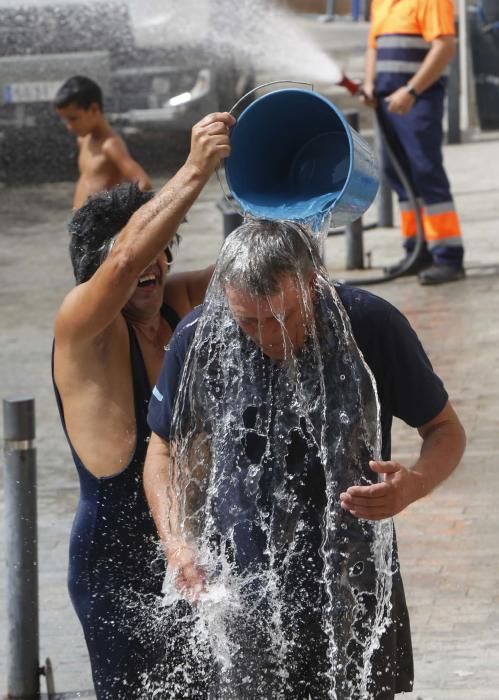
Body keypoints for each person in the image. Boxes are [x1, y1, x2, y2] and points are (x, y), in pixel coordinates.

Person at [145, 220, 466, 699]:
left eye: (281, 317)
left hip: (354, 585)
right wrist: (177, 542)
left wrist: (414, 485)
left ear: (312, 284)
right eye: (247, 322)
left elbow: (445, 431)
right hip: (241, 590)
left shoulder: (371, 325)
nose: (263, 336)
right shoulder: (201, 337)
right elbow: (164, 450)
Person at [52, 111, 235, 699]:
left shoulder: (180, 298)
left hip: (193, 539)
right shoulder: (83, 327)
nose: (152, 265)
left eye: (164, 251)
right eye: (142, 253)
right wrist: (194, 167)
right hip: (114, 559)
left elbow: (261, 269)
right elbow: (125, 258)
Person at [362, 0, 465, 285]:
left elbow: (445, 46)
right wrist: (369, 84)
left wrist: (411, 90)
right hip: (386, 101)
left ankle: (448, 257)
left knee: (425, 172)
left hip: (417, 101)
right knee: (399, 177)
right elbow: (374, 46)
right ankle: (417, 251)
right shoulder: (381, 3)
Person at [54, 75, 152, 209]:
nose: (69, 126)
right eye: (65, 120)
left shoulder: (111, 145)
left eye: (73, 119)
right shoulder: (83, 140)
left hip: (101, 227)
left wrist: (114, 215)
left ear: (94, 109)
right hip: (80, 226)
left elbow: (144, 185)